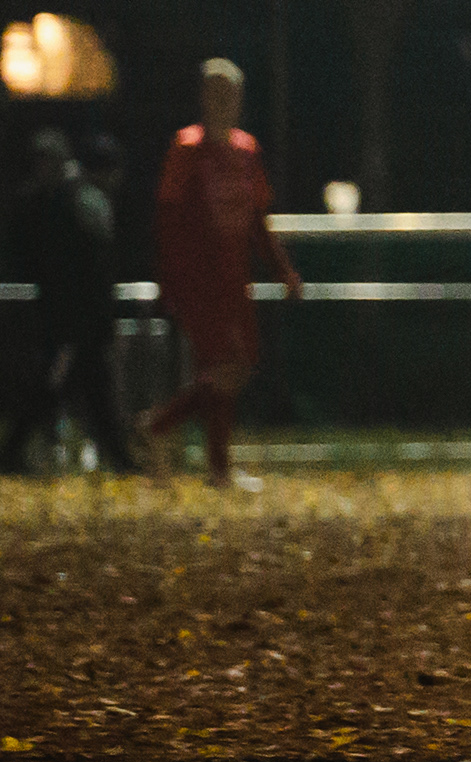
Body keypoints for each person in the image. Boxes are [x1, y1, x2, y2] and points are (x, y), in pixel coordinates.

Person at [137, 60, 300, 488]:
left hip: (234, 278)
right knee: (225, 367)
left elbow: (257, 221)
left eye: (230, 94)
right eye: (215, 93)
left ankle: (181, 441)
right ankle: (199, 454)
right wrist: (169, 280)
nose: (223, 102)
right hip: (199, 280)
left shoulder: (247, 150)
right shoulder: (186, 149)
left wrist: (283, 270)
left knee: (232, 369)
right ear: (203, 97)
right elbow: (168, 222)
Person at [4, 129, 137, 475]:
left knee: (66, 389)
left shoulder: (63, 199)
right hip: (76, 320)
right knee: (72, 389)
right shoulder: (76, 199)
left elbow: (77, 267)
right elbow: (92, 267)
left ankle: (119, 459)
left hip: (72, 318)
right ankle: (120, 459)